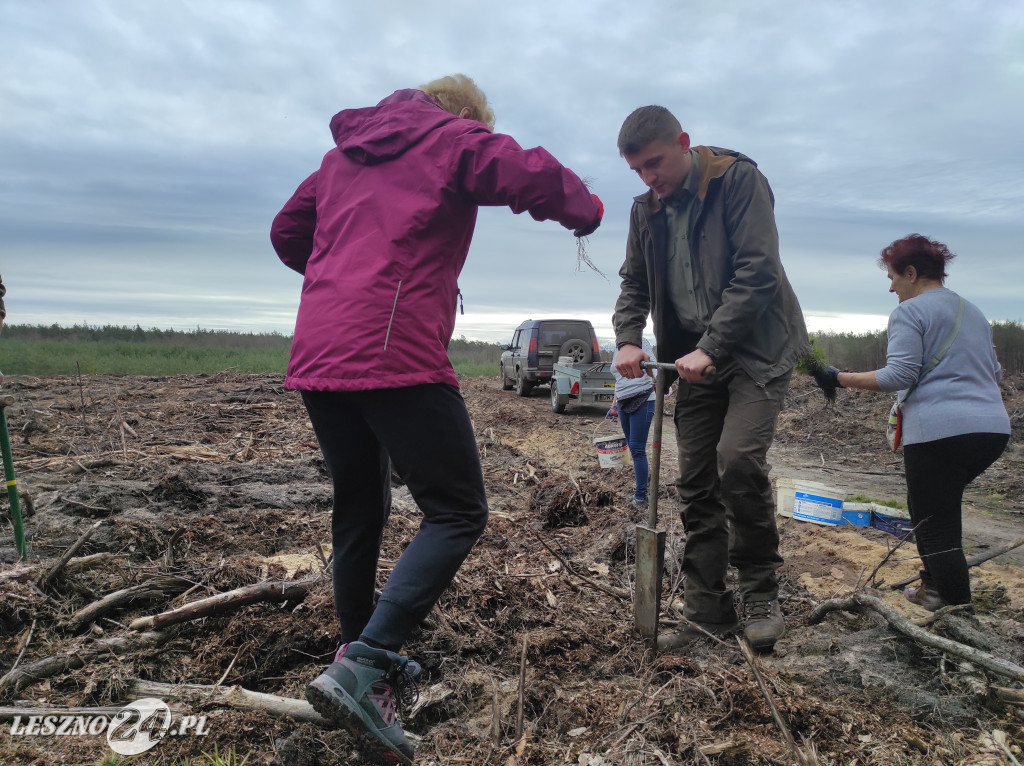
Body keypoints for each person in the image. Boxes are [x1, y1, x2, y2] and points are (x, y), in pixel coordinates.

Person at [270, 74, 602, 765]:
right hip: (392, 349)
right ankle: (370, 660)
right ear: (462, 112)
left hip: (319, 351)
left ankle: (355, 665)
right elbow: (526, 170)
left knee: (359, 505)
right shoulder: (450, 136)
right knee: (456, 510)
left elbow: (286, 231)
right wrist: (587, 210)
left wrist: (342, 277)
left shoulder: (340, 159)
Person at [611, 106, 809, 654]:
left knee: (738, 461)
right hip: (690, 361)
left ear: (683, 142)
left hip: (755, 351)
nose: (650, 178)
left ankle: (760, 591)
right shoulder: (645, 210)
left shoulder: (737, 181)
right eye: (638, 171)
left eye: (655, 163)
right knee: (696, 480)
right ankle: (707, 611)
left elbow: (758, 272)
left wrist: (711, 347)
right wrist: (629, 337)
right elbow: (634, 283)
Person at [812, 234, 1010, 613]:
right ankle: (932, 587)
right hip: (991, 431)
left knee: (935, 521)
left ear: (912, 273)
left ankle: (953, 605)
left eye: (893, 278)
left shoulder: (910, 311)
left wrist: (838, 377)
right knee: (931, 507)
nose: (891, 287)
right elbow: (995, 372)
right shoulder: (974, 312)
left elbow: (897, 375)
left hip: (940, 431)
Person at [611, 337, 657, 507]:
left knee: (638, 449)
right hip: (622, 401)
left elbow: (654, 367)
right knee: (632, 448)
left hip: (643, 399)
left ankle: (641, 497)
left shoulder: (641, 343)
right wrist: (614, 403)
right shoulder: (619, 347)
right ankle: (643, 483)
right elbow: (619, 379)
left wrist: (660, 382)